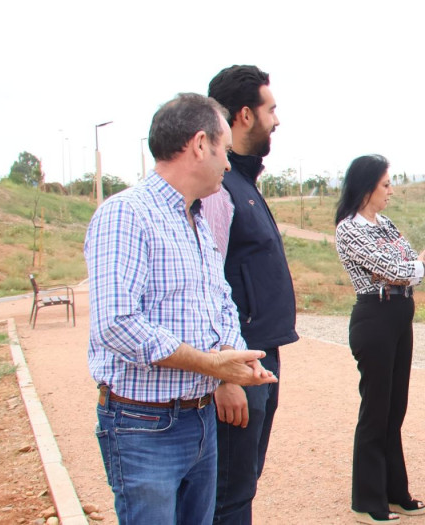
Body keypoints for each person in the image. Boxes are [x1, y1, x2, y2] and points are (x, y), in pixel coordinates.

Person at [86, 93, 277, 524]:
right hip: (144, 426)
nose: (228, 165)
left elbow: (220, 302)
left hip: (200, 420)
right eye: (224, 151)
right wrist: (212, 365)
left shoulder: (194, 220)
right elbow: (116, 324)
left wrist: (235, 355)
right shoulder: (126, 215)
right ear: (198, 145)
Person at [205, 64, 299, 524]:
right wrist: (225, 374)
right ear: (245, 115)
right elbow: (207, 285)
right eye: (271, 109)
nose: (277, 120)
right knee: (230, 493)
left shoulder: (241, 183)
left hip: (258, 357)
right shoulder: (219, 189)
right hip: (238, 362)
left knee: (243, 484)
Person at [334, 154, 425, 524]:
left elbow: (402, 264)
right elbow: (395, 267)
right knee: (375, 409)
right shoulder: (349, 228)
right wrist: (413, 269)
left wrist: (408, 271)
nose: (391, 190)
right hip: (374, 317)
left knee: (396, 407)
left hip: (399, 316)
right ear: (367, 186)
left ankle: (396, 492)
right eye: (386, 184)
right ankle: (367, 501)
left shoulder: (384, 223)